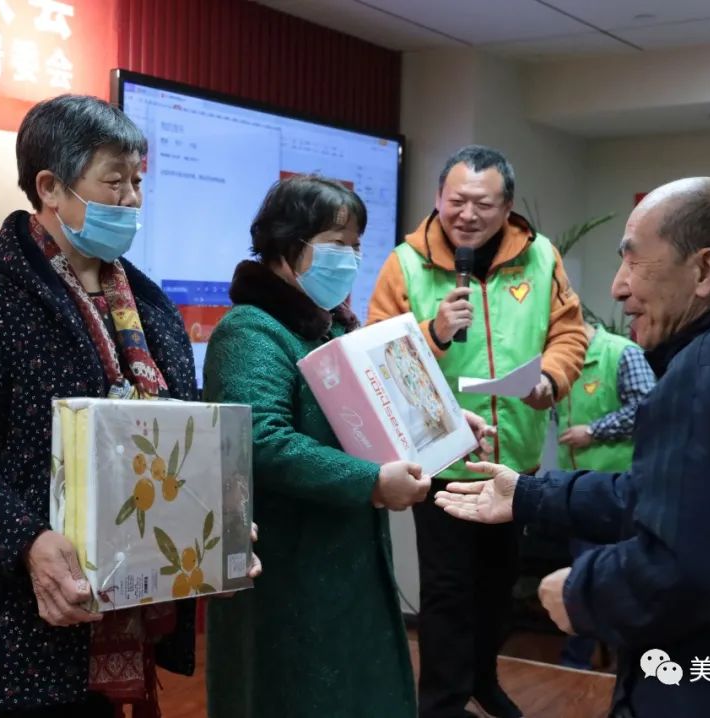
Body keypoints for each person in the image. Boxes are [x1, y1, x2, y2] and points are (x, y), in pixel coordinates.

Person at [0, 95, 259, 718]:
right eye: (114, 181)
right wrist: (26, 539)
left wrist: (214, 525)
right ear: (50, 187)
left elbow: (178, 434)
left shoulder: (149, 306)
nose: (132, 199)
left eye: (138, 181)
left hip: (107, 613)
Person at [436, 177, 710, 717]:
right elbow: (694, 501)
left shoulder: (707, 372)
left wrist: (582, 592)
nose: (618, 288)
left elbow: (699, 564)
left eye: (633, 261)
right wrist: (530, 495)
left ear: (704, 270)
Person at [202, 176, 495, 718]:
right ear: (288, 245)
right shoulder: (251, 331)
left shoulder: (329, 328)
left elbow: (376, 414)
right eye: (338, 243)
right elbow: (260, 438)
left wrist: (448, 425)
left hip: (351, 561)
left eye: (357, 245)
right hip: (289, 568)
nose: (352, 259)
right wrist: (371, 482)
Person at [369, 145, 587, 718]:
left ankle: (482, 681)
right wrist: (434, 332)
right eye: (456, 201)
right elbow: (377, 355)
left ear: (507, 206)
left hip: (514, 461)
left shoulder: (541, 257)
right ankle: (441, 704)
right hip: (441, 458)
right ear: (438, 198)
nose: (467, 214)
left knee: (498, 586)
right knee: (447, 591)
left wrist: (551, 378)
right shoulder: (405, 263)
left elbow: (570, 332)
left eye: (483, 204)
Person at [556, 321, 655, 669]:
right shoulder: (564, 363)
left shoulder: (622, 353)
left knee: (613, 584)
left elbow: (648, 407)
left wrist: (594, 431)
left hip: (619, 494)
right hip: (578, 492)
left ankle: (623, 666)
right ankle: (578, 667)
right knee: (581, 581)